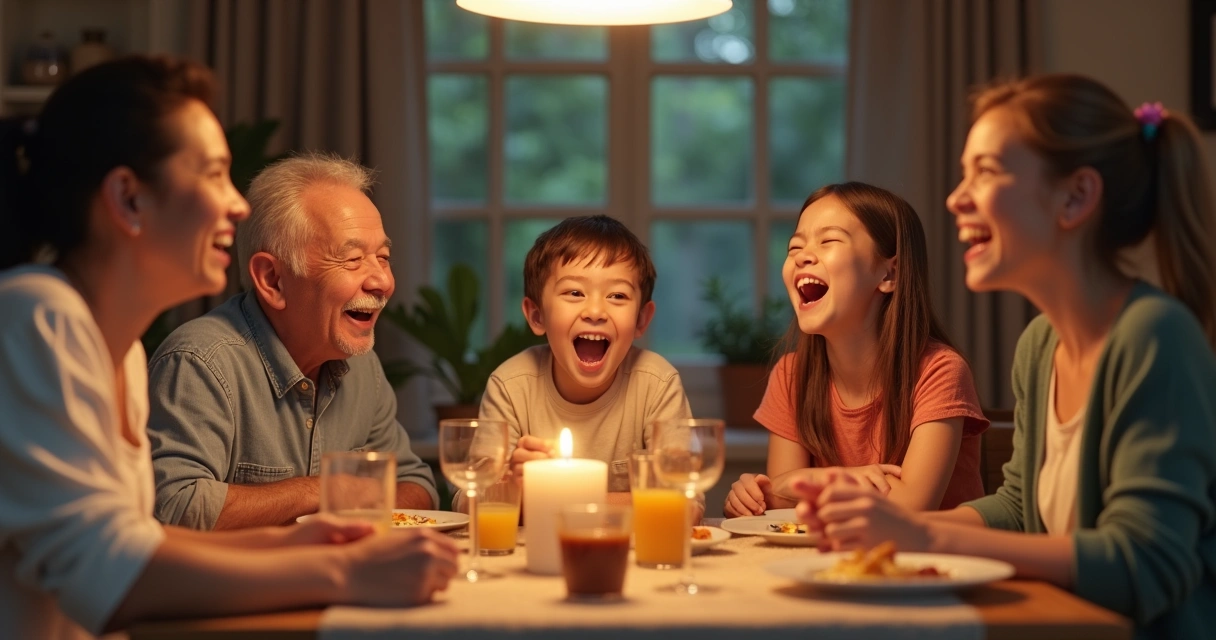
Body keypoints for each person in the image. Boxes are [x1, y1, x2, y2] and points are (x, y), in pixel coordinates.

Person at [0, 56, 456, 639]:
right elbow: (102, 573)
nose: (238, 205)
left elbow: (140, 539)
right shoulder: (37, 317)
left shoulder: (120, 348)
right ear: (129, 199)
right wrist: (339, 570)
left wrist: (291, 541)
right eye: (214, 174)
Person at [795, 75, 1216, 638]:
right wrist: (895, 525)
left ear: (1075, 197)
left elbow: (1146, 566)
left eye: (986, 172)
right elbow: (1020, 508)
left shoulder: (1154, 336)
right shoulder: (1041, 344)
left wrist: (925, 536)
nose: (955, 197)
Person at [146, 152, 438, 530]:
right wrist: (324, 491)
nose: (382, 281)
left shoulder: (363, 366)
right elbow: (173, 505)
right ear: (272, 280)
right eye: (352, 260)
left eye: (382, 257)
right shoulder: (199, 363)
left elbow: (418, 485)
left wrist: (347, 499)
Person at [723, 182, 988, 518]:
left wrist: (798, 484)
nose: (802, 255)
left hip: (931, 565)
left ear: (889, 273)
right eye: (794, 247)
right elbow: (780, 504)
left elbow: (908, 508)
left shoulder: (940, 371)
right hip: (835, 562)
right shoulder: (791, 374)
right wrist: (842, 479)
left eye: (829, 240)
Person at [477, 215, 692, 502]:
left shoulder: (658, 385)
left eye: (617, 296)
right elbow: (470, 499)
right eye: (575, 292)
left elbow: (684, 504)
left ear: (641, 320)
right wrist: (512, 486)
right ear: (537, 316)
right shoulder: (510, 386)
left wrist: (559, 498)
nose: (595, 311)